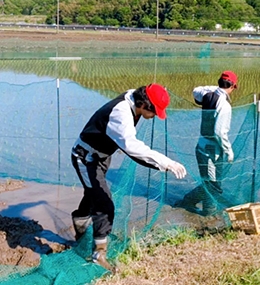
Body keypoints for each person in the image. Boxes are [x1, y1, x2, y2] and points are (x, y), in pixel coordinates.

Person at [70, 84, 186, 273]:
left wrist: (161, 164)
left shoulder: (135, 100)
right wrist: (166, 162)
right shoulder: (121, 112)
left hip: (101, 156)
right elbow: (132, 148)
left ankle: (80, 220)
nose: (155, 115)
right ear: (143, 103)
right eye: (154, 111)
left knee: (93, 192)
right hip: (86, 158)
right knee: (104, 203)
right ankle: (99, 254)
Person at [175, 71, 237, 216]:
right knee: (212, 184)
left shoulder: (208, 96)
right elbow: (219, 132)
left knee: (212, 182)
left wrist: (216, 88)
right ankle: (208, 213)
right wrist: (228, 151)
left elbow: (196, 90)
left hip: (202, 145)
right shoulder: (224, 105)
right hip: (211, 149)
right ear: (233, 86)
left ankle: (193, 203)